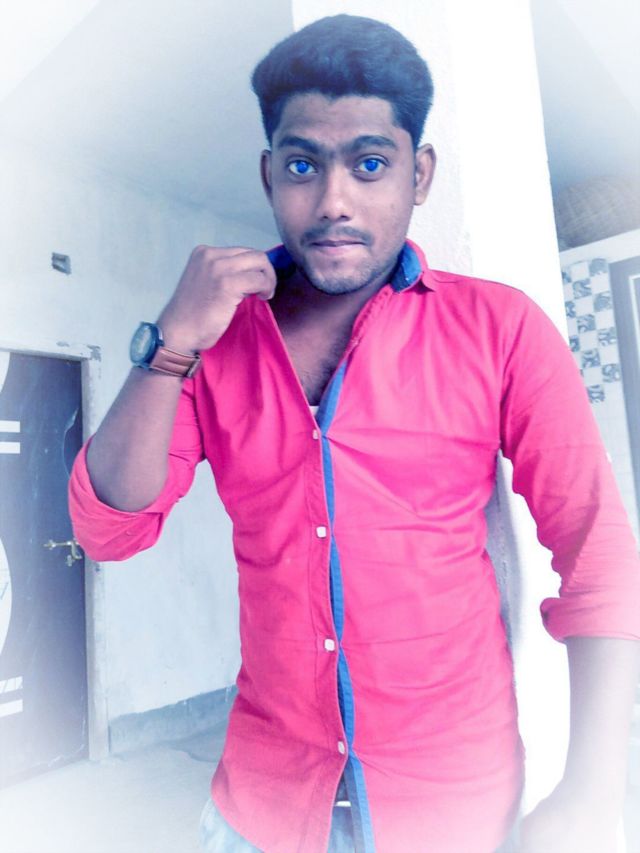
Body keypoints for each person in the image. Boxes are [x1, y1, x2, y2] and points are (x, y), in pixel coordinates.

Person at [68, 14, 640, 853]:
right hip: (259, 811)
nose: (334, 201)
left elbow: (598, 552)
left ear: (420, 174)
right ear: (270, 175)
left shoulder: (500, 329)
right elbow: (109, 529)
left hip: (453, 812)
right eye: (303, 165)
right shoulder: (215, 341)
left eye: (370, 164)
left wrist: (592, 791)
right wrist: (171, 342)